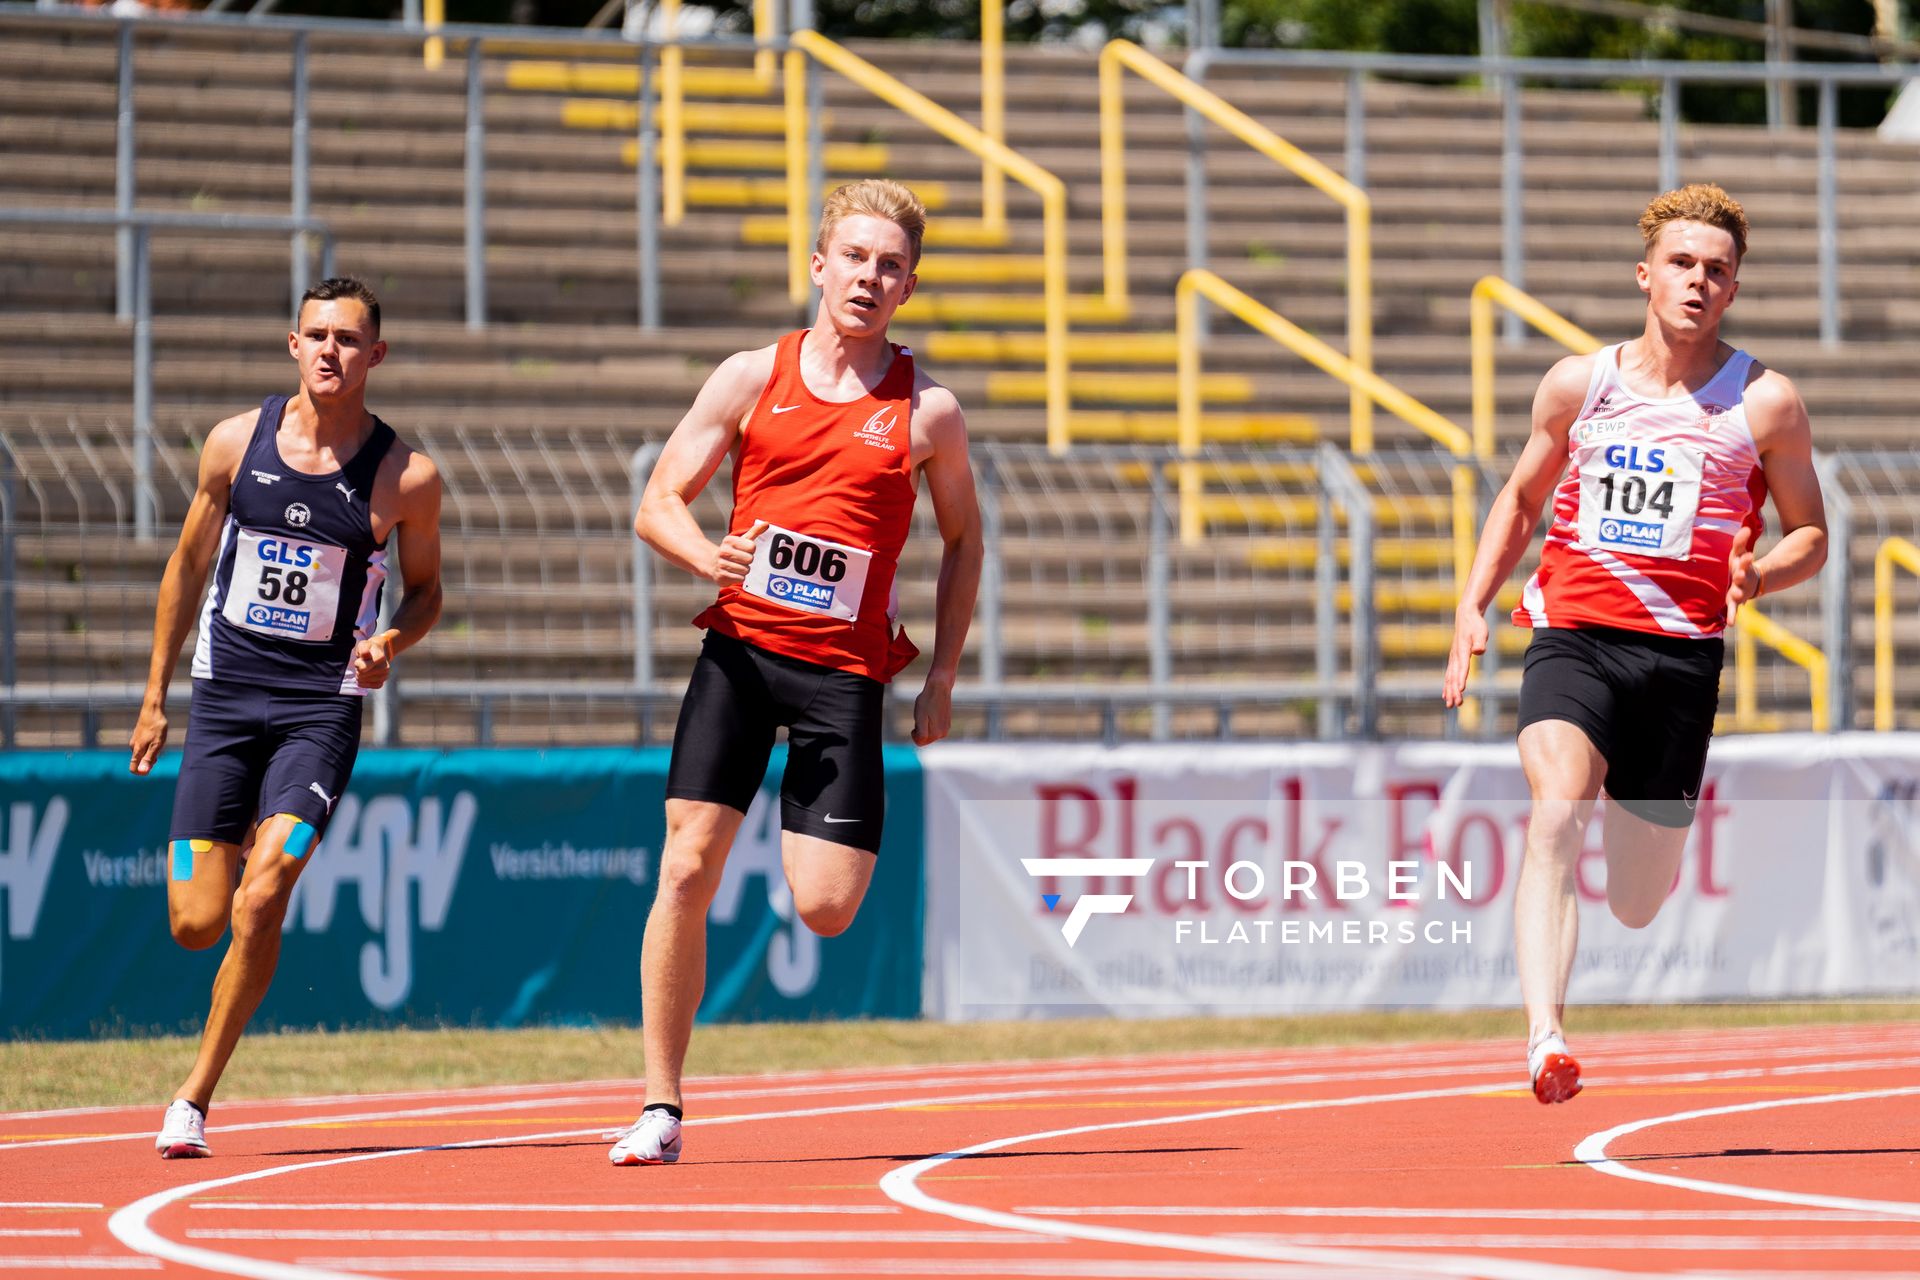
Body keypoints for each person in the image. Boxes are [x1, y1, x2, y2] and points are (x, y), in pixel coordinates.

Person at [611, 178, 982, 1165]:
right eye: (854, 257)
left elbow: (964, 539)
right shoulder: (748, 375)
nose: (869, 277)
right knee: (686, 861)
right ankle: (659, 1104)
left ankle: (807, 835)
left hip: (842, 676)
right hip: (738, 654)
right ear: (819, 265)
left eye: (889, 265)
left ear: (908, 285)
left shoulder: (927, 412)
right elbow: (657, 501)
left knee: (823, 906)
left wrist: (941, 672)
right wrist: (708, 557)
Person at [1442, 184, 1827, 1103]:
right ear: (1646, 275)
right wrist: (1472, 604)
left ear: (1734, 289)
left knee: (1636, 900)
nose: (1699, 282)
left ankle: (1635, 847)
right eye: (1684, 265)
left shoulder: (1765, 403)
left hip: (1682, 660)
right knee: (1553, 814)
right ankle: (1546, 1039)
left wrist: (1760, 575)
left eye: (1717, 271)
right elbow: (1522, 499)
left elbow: (1812, 534)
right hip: (1573, 635)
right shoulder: (1582, 384)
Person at [129, 277, 444, 1157]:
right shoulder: (235, 445)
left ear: (376, 355)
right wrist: (156, 697)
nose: (331, 351)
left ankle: (192, 1097)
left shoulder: (405, 478)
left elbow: (426, 595)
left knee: (262, 897)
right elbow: (187, 572)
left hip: (320, 710)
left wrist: (392, 642)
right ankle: (237, 909)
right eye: (317, 335)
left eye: (349, 338)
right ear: (293, 345)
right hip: (225, 701)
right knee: (198, 921)